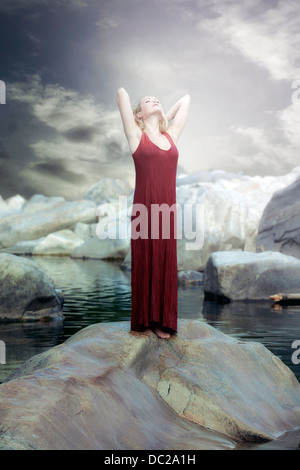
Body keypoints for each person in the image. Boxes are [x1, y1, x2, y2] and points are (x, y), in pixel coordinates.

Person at [116, 88, 190, 339]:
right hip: (144, 208)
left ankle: (163, 321)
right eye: (148, 100)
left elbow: (186, 100)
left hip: (167, 210)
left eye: (157, 99)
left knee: (165, 261)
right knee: (146, 259)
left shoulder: (171, 136)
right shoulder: (136, 136)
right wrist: (145, 119)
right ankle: (145, 319)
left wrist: (160, 118)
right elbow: (121, 94)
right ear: (138, 113)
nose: (155, 99)